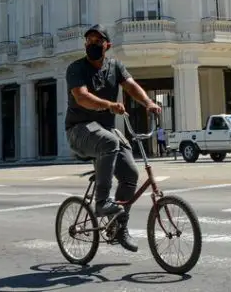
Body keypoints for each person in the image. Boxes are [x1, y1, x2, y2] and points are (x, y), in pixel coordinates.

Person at [65, 24, 162, 253]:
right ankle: (101, 202)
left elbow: (130, 86)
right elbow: (82, 98)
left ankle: (119, 228)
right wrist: (110, 105)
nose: (92, 44)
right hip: (79, 130)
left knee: (131, 174)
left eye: (98, 41)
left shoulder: (115, 66)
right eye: (89, 41)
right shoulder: (76, 68)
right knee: (109, 142)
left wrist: (148, 102)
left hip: (105, 130)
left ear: (108, 45)